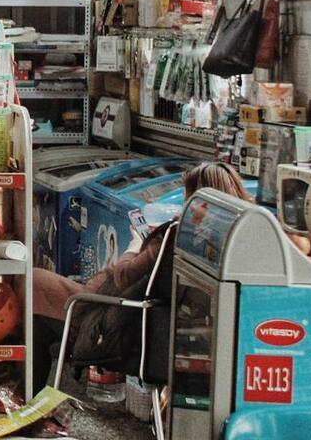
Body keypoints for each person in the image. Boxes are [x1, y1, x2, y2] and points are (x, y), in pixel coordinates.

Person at [31, 160, 251, 388]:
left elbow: (124, 276)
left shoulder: (173, 236)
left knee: (35, 299)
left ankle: (27, 394)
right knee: (38, 288)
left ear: (199, 202)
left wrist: (135, 244)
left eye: (187, 197)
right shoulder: (227, 239)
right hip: (150, 324)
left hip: (119, 326)